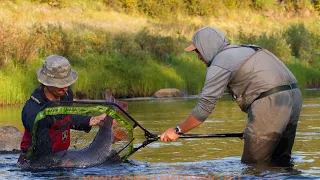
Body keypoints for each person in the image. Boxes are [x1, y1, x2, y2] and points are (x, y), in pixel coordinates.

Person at [160, 26, 302, 166]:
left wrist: (177, 130)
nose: (198, 57)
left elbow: (204, 108)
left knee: (253, 167)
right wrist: (255, 126)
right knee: (280, 162)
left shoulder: (220, 62)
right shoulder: (246, 48)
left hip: (271, 101)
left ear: (207, 47)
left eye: (198, 51)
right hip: (294, 97)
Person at [19, 55, 107, 160]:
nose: (65, 87)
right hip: (37, 163)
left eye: (67, 82)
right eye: (60, 83)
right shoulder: (33, 111)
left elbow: (65, 117)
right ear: (46, 82)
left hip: (61, 156)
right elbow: (44, 152)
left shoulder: (66, 94)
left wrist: (92, 120)